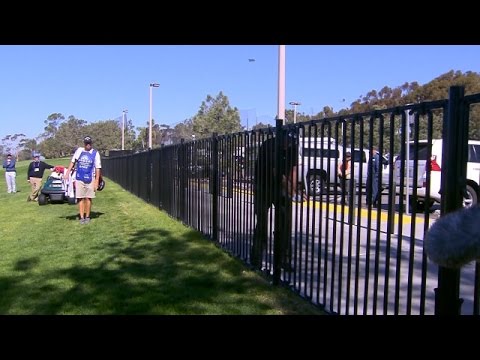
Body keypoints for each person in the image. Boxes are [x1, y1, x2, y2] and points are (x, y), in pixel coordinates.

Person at [250, 129, 302, 271]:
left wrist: (295, 189)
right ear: (282, 138)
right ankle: (256, 259)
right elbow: (277, 173)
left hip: (281, 189)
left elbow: (294, 169)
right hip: (264, 186)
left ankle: (283, 260)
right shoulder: (269, 146)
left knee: (285, 225)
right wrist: (291, 189)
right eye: (288, 141)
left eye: (292, 142)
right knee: (262, 223)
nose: (289, 145)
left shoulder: (293, 147)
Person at [64, 136, 102, 224]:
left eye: (89, 143)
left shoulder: (95, 153)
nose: (88, 145)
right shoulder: (79, 151)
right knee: (80, 198)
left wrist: (96, 181)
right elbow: (73, 162)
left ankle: (87, 216)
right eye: (86, 143)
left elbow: (98, 168)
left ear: (91, 143)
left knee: (88, 198)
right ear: (84, 144)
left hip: (90, 178)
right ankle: (82, 217)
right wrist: (67, 173)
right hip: (79, 178)